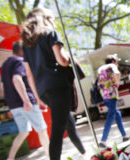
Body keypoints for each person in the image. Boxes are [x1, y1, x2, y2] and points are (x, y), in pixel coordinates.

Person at [21, 8, 86, 160]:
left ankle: (84, 153)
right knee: (58, 130)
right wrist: (72, 59)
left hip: (44, 90)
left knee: (68, 122)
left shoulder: (26, 44)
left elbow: (29, 74)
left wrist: (38, 97)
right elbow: (62, 60)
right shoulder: (50, 33)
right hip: (57, 84)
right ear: (45, 18)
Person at [2, 42, 49, 160]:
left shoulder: (5, 64)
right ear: (23, 51)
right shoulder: (20, 61)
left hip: (14, 105)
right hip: (26, 102)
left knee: (23, 132)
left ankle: (10, 158)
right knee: (42, 129)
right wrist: (26, 100)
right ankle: (51, 156)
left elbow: (3, 86)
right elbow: (17, 78)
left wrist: (11, 103)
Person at [97, 55, 129, 148]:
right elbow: (117, 74)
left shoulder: (100, 68)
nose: (117, 64)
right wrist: (118, 82)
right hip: (112, 94)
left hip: (104, 95)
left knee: (117, 114)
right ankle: (103, 141)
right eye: (117, 62)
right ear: (113, 61)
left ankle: (124, 136)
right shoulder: (112, 66)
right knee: (111, 117)